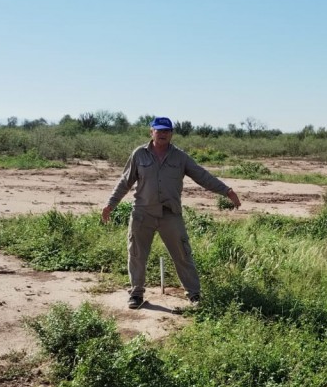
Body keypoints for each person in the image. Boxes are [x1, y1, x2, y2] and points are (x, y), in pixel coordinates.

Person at [101, 116, 241, 309]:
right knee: (136, 254)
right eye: (159, 130)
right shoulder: (139, 154)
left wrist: (227, 191)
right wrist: (111, 204)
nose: (163, 134)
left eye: (166, 131)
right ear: (152, 132)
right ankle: (136, 294)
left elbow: (202, 176)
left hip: (170, 214)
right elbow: (125, 182)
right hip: (143, 213)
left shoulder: (180, 157)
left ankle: (194, 294)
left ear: (171, 133)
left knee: (183, 254)